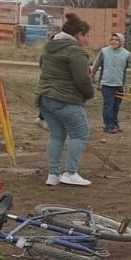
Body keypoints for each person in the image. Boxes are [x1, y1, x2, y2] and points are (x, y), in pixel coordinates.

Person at [38, 13, 98, 187]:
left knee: (57, 136)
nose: (87, 40)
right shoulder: (76, 51)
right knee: (80, 134)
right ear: (78, 34)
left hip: (45, 98)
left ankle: (53, 175)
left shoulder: (50, 46)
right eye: (86, 35)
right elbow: (82, 79)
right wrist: (89, 93)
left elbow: (42, 65)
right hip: (66, 99)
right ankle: (71, 172)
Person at [90, 32, 131, 134]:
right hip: (106, 84)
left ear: (121, 42)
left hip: (119, 84)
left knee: (116, 105)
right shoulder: (104, 51)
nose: (114, 41)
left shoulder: (126, 54)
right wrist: (92, 75)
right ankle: (108, 126)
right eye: (112, 39)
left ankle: (115, 124)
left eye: (116, 40)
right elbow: (96, 65)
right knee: (108, 105)